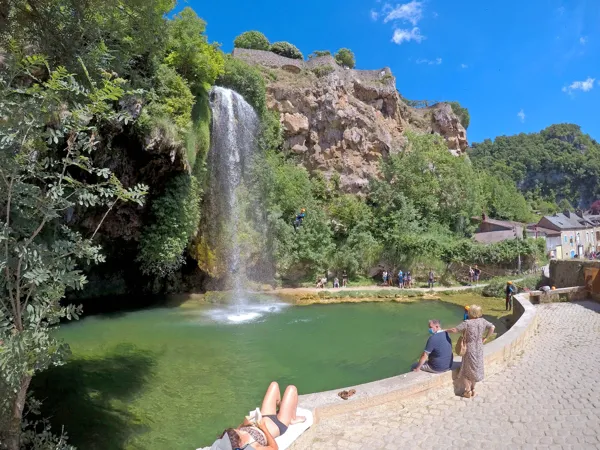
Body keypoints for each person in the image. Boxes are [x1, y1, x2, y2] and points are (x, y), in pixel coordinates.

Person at [211, 382, 306, 450]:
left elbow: (238, 429)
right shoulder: (253, 446)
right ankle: (291, 418)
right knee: (292, 389)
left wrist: (244, 423)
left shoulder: (232, 438)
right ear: (240, 444)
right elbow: (274, 448)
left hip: (263, 417)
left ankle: (284, 410)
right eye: (240, 434)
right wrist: (263, 428)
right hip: (278, 424)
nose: (241, 432)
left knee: (274, 385)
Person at [446, 305, 495, 398]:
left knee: (465, 370)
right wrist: (485, 338)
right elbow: (492, 327)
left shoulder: (467, 323)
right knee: (476, 369)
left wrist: (444, 330)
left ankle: (467, 391)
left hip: (469, 349)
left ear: (470, 313)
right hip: (479, 348)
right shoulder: (483, 321)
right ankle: (473, 389)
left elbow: (455, 330)